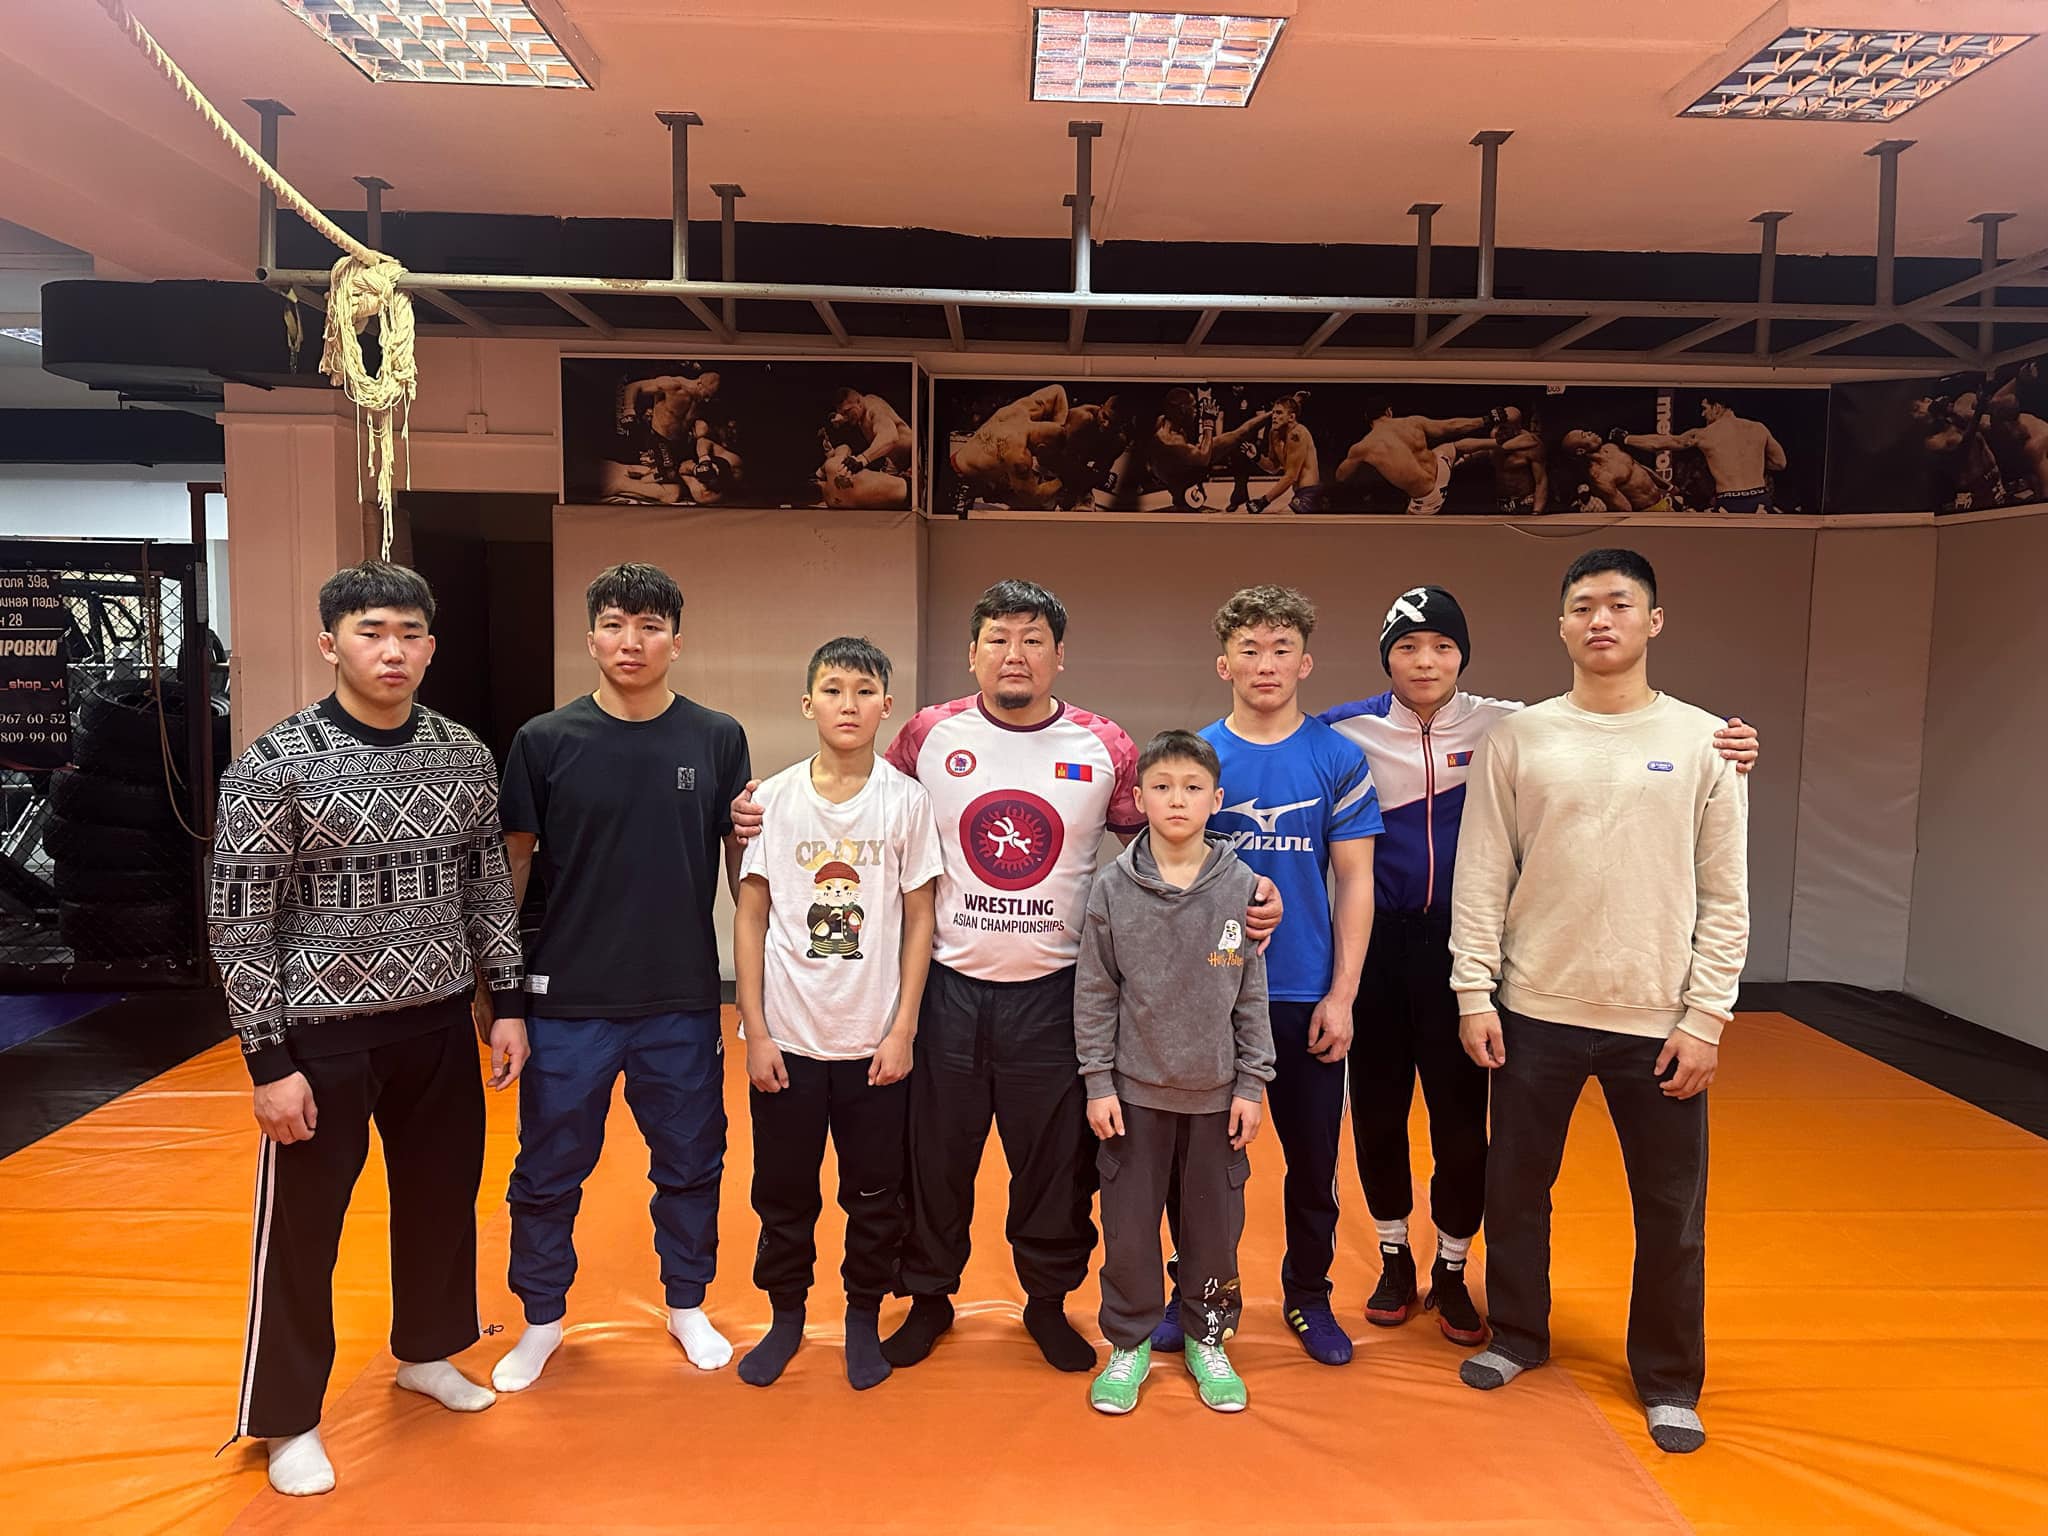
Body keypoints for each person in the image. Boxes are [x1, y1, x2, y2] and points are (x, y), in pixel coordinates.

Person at [733, 579, 1281, 1374]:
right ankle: (928, 1296)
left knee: (1055, 1167)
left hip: (1057, 991)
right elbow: (860, 799)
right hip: (946, 988)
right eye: (997, 638)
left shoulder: (1105, 746)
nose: (1014, 654)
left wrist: (1243, 887)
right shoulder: (927, 735)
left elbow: (1166, 843)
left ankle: (1047, 1302)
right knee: (934, 1159)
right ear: (972, 654)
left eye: (1032, 639)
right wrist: (756, 813)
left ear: (1059, 655)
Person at [1321, 587, 1758, 1349]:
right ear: (1385, 656)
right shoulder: (1340, 731)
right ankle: (1393, 1255)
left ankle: (1452, 1266)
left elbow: (1602, 725)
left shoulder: (1509, 725)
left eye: (1442, 647)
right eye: (1407, 648)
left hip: (1461, 948)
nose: (1425, 662)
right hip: (1375, 945)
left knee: (1463, 1125)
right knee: (1379, 1115)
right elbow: (1270, 749)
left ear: (1463, 655)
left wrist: (1731, 742)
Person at [210, 561, 527, 1498]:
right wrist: (268, 1061)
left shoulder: (463, 754)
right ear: (330, 644)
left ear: (431, 646)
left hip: (438, 1024)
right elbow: (239, 920)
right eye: (371, 632)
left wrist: (506, 1001)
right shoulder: (276, 763)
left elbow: (487, 888)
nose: (393, 651)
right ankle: (286, 1418)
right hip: (322, 1038)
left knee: (441, 1202)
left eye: (410, 634)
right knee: (304, 1234)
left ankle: (427, 1351)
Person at [1451, 548, 1749, 1457]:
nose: (1601, 620)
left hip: (1656, 1020)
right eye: (1583, 606)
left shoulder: (1706, 741)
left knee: (1670, 1211)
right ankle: (1517, 1334)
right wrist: (1474, 991)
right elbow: (1483, 870)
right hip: (1534, 1008)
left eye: (1619, 604)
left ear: (1653, 621)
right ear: (1562, 626)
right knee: (1515, 1190)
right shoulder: (1519, 738)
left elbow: (1725, 893)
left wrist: (1707, 1017)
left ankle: (1669, 1379)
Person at [489, 563, 752, 1393]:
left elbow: (742, 866)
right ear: (591, 637)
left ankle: (687, 1303)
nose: (630, 642)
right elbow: (511, 871)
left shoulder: (716, 737)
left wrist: (760, 990)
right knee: (547, 1170)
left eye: (648, 625)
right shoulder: (544, 740)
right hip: (567, 1000)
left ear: (677, 639)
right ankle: (541, 1320)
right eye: (613, 624)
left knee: (692, 1160)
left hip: (680, 996)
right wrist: (501, 996)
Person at [1160, 586, 1378, 1367]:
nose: (1265, 664)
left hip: (1303, 995)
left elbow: (1355, 880)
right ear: (1224, 664)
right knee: (1201, 1167)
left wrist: (1342, 995)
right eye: (1249, 650)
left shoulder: (1336, 757)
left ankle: (1308, 1295)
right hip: (1213, 999)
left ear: (1305, 663)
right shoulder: (1195, 760)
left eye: (1281, 649)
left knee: (1313, 1164)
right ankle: (1194, 1297)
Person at [732, 637, 942, 1391]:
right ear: (807, 703)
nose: (847, 704)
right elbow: (750, 915)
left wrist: (903, 1028)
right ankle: (786, 1316)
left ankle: (861, 1314)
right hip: (788, 1039)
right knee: (783, 1192)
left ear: (888, 704)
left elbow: (920, 917)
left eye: (863, 690)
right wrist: (756, 1031)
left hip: (872, 1042)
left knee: (875, 1193)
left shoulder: (906, 801)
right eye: (832, 689)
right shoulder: (773, 799)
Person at [1077, 729, 1274, 1415]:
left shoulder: (1242, 887)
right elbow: (1095, 992)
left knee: (1214, 1234)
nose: (1178, 800)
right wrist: (1098, 1082)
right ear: (1138, 799)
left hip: (1216, 1100)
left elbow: (1250, 994)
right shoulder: (1111, 888)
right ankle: (1128, 1343)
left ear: (1216, 800)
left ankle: (1208, 1338)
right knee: (1129, 1231)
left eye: (1193, 788)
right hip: (1133, 1099)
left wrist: (1251, 1083)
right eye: (1162, 787)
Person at [1623, 395, 1786, 514]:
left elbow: (1658, 443)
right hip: (1760, 498)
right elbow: (1780, 463)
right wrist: (1753, 463)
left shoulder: (1705, 434)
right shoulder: (1759, 428)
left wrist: (1626, 438)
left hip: (1729, 501)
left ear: (1717, 407)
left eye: (1705, 408)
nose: (1702, 414)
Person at [1335, 399, 1496, 515]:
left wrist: (1359, 461)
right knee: (1453, 446)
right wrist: (1485, 419)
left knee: (1406, 539)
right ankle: (1496, 443)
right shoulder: (1413, 422)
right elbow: (1450, 426)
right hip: (1441, 467)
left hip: (1428, 498)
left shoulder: (1364, 447)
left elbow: (1340, 477)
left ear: (1368, 420)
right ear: (1389, 411)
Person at [949, 384, 1072, 508]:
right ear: (1041, 447)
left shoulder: (1021, 410)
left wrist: (1060, 426)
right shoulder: (1019, 458)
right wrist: (1063, 480)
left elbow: (1057, 390)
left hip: (963, 457)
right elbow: (1034, 497)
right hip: (961, 479)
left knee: (1015, 482)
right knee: (1037, 505)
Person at [1230, 392, 1323, 515]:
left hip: (1309, 494)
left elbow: (1291, 476)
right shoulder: (1274, 434)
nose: (1274, 416)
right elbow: (1273, 467)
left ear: (1291, 417)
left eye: (1279, 413)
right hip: (1298, 494)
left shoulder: (1297, 434)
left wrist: (1264, 501)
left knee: (1278, 521)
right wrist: (1257, 457)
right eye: (1273, 412)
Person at [821, 388, 914, 509]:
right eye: (842, 413)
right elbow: (851, 413)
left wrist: (862, 459)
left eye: (847, 412)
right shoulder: (859, 411)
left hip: (914, 462)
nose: (846, 416)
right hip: (898, 465)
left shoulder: (874, 409)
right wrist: (843, 418)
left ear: (859, 402)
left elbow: (890, 437)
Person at [1560, 429, 1678, 514]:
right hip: (1647, 514)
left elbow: (1639, 468)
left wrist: (1669, 487)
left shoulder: (1612, 447)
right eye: (1584, 435)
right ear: (1580, 451)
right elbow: (1625, 511)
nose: (1590, 432)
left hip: (1663, 503)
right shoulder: (1599, 477)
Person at [1487, 406, 1549, 514]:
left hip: (1525, 501)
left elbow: (1541, 481)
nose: (1500, 431)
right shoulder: (1493, 438)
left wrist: (1537, 511)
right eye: (1498, 426)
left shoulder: (1532, 444)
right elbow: (1478, 449)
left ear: (1517, 428)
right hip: (1501, 502)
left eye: (1505, 427)